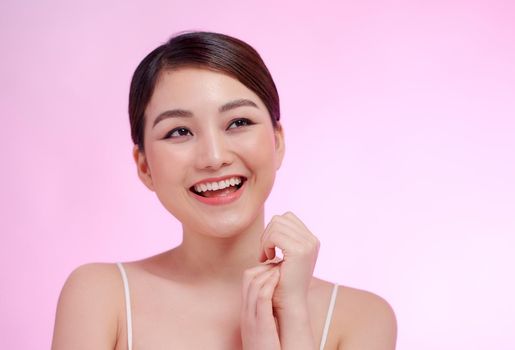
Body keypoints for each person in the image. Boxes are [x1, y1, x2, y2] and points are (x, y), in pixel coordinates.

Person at [51, 31, 397, 350]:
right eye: (179, 132)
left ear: (277, 142)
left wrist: (292, 318)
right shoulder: (100, 296)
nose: (214, 158)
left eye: (238, 123)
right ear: (144, 167)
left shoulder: (362, 318)